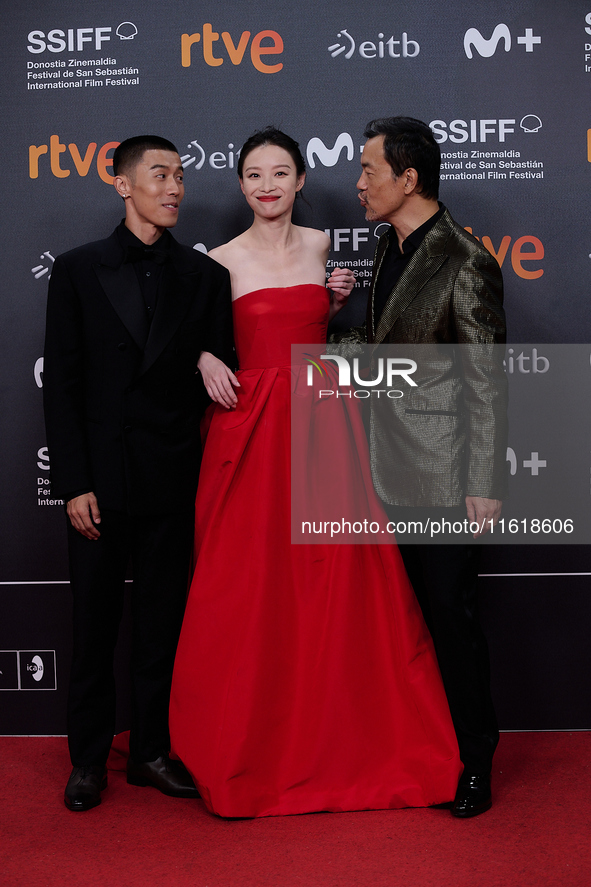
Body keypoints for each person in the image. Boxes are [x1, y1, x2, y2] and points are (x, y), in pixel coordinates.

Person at [169, 127, 462, 818]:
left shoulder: (325, 246)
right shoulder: (216, 260)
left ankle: (343, 739)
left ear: (301, 180)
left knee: (335, 578)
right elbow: (183, 338)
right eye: (252, 174)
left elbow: (318, 333)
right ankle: (248, 741)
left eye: (279, 172)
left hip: (321, 423)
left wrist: (329, 308)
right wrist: (203, 358)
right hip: (248, 432)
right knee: (248, 585)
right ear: (238, 184)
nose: (266, 184)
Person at [43, 135, 234, 811]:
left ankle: (151, 750)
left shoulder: (205, 278)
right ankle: (88, 758)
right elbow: (60, 386)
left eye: (181, 175)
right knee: (93, 624)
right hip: (98, 479)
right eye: (161, 175)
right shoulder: (76, 269)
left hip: (170, 476)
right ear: (123, 185)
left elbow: (222, 367)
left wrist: (207, 358)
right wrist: (73, 481)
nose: (175, 187)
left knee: (162, 623)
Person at [355, 116, 508, 817]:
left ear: (406, 178)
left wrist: (482, 480)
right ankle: (423, 749)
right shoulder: (389, 247)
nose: (358, 184)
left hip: (443, 474)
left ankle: (475, 760)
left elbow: (484, 380)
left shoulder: (465, 258)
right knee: (400, 624)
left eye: (368, 171)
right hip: (378, 466)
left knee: (449, 615)